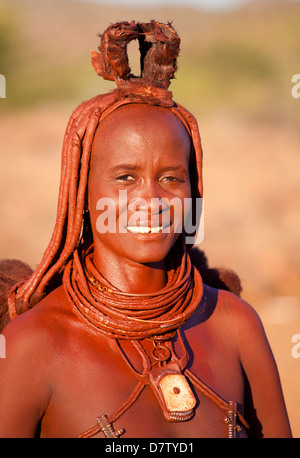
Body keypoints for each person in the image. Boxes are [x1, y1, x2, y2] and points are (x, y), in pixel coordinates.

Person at [0, 21, 292, 438]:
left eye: (172, 178)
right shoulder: (32, 344)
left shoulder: (236, 325)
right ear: (81, 191)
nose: (151, 201)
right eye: (125, 178)